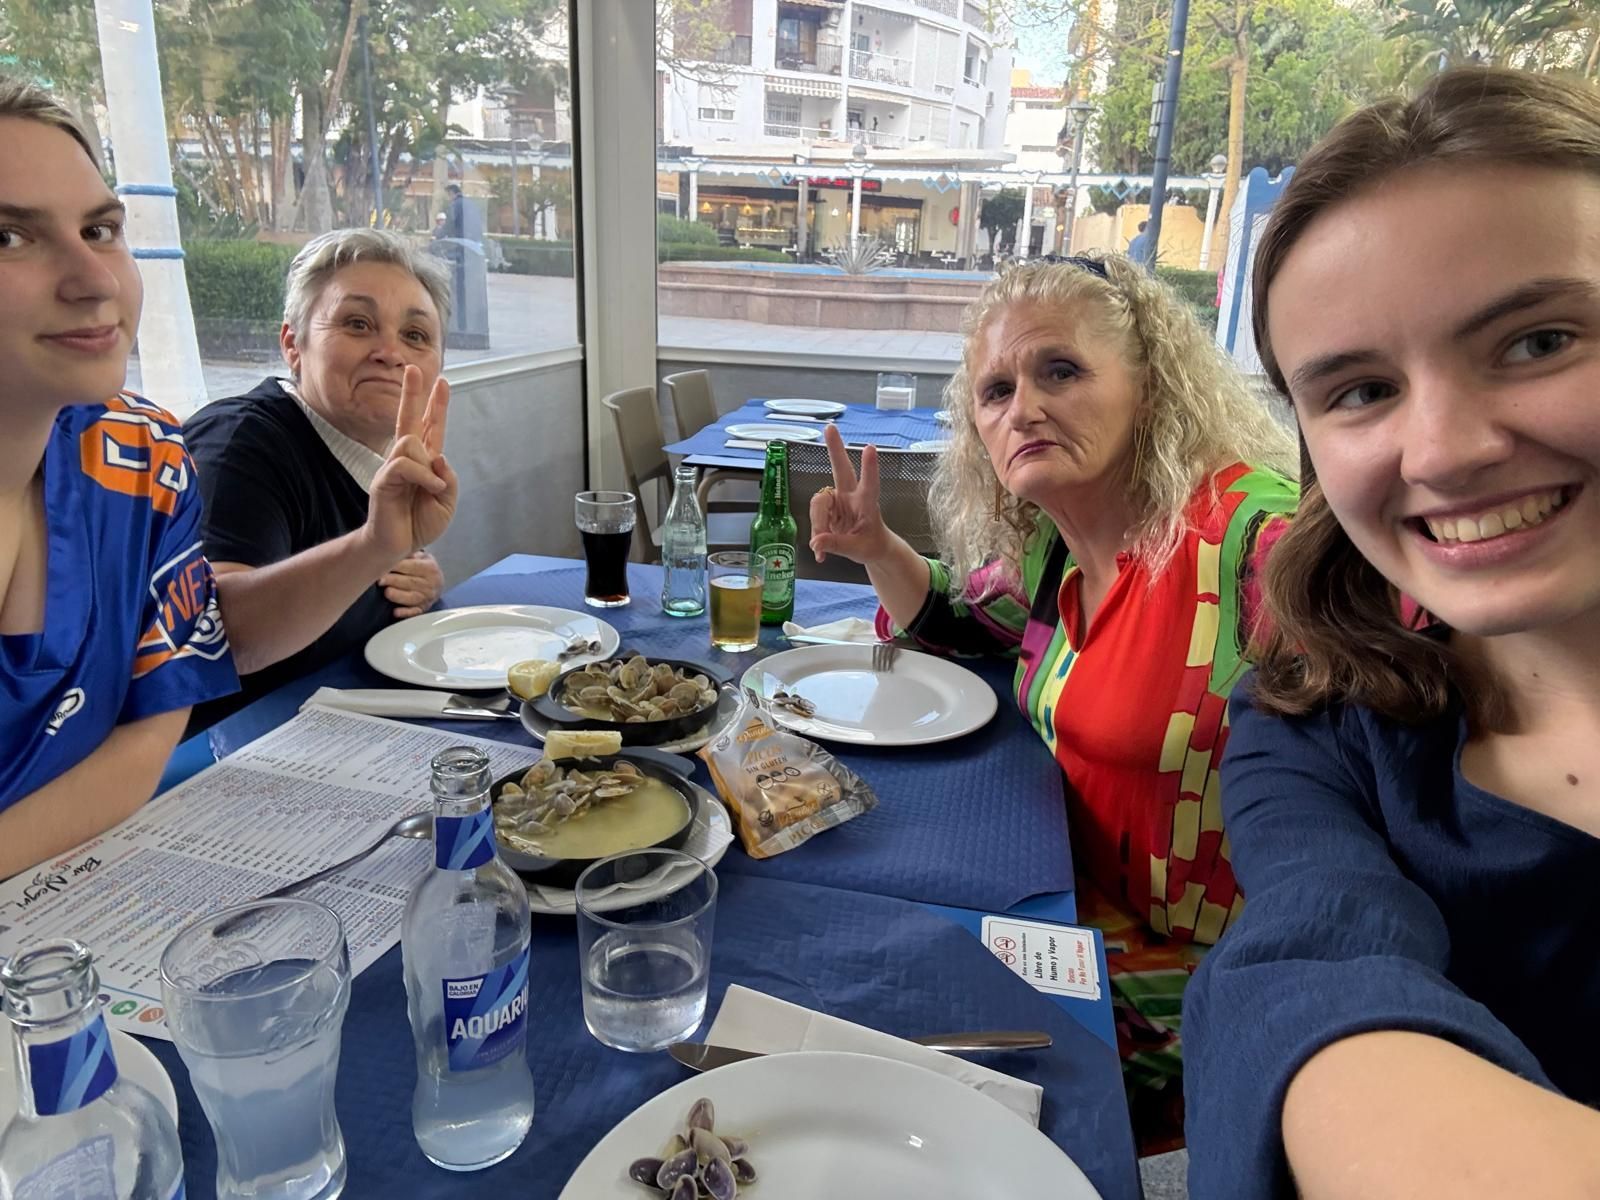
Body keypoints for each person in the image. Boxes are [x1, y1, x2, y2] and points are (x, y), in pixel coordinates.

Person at [1183, 67, 1600, 1197]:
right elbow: (1315, 952)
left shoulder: (1214, 533)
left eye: (1538, 340)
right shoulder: (1317, 717)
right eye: (1361, 390)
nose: (1444, 451)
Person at [810, 253, 1299, 1145]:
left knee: (911, 1067)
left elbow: (1404, 673)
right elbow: (958, 623)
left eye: (1060, 371)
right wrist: (880, 547)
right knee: (854, 966)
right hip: (1068, 906)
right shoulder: (1051, 556)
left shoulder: (1255, 546)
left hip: (1210, 978)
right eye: (994, 392)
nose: (1023, 408)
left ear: (1151, 387)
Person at [0, 78, 237, 877]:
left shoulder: (144, 452)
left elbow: (148, 732)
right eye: (8, 237)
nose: (95, 281)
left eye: (100, 229)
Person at [184, 228, 457, 724]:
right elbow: (219, 638)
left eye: (415, 335)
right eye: (357, 324)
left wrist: (412, 576)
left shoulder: (374, 462)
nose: (390, 352)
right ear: (293, 344)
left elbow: (343, 579)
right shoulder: (239, 443)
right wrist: (376, 545)